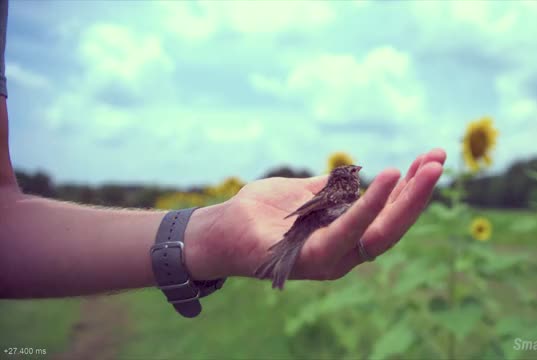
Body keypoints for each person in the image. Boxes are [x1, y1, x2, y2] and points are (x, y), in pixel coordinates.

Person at [0, 0, 445, 300]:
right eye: (349, 176)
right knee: (297, 239)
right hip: (309, 220)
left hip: (301, 222)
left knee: (294, 241)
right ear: (344, 181)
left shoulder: (339, 190)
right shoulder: (337, 193)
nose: (352, 180)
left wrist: (210, 234)